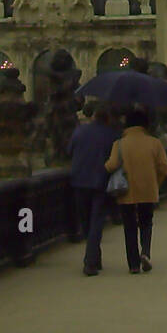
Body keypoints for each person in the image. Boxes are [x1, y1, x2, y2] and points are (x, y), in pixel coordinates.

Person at [105, 104, 167, 274]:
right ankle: (146, 253)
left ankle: (133, 264)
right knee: (146, 222)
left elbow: (111, 165)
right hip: (148, 189)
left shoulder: (119, 144)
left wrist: (104, 166)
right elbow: (164, 167)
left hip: (126, 190)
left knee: (129, 225)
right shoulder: (155, 143)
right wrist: (156, 183)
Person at [69, 101, 118, 276]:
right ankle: (91, 261)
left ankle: (94, 258)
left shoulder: (79, 131)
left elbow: (70, 151)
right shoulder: (111, 135)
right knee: (96, 221)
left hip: (79, 180)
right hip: (100, 182)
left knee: (86, 221)